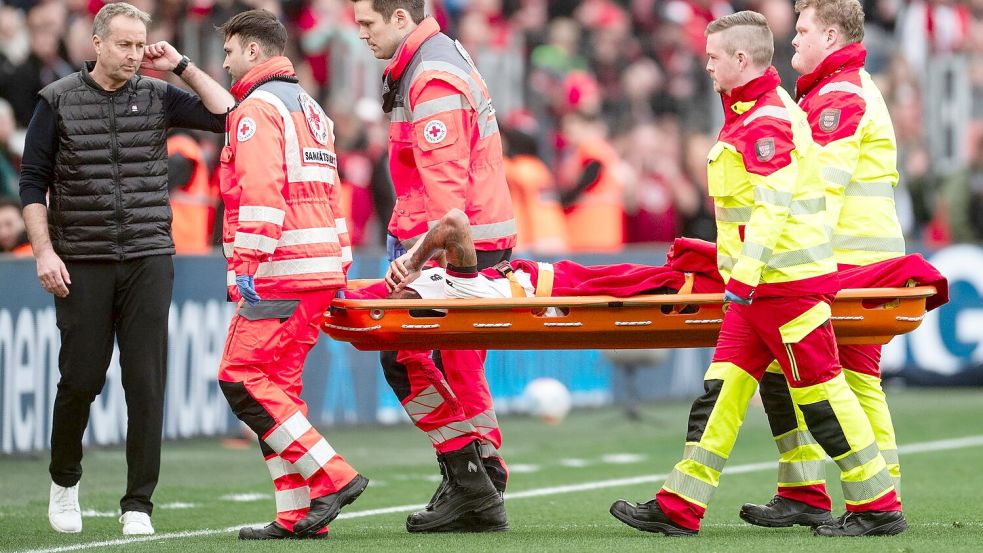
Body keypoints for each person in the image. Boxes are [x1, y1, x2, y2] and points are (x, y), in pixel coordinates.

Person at [608, 11, 904, 537]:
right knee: (721, 392)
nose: (706, 65)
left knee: (824, 395)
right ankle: (680, 504)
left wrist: (742, 279)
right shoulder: (756, 112)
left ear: (740, 59)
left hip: (783, 285)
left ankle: (877, 503)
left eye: (714, 56)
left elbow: (773, 206)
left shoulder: (767, 118)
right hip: (764, 286)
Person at [17, 2, 234, 536]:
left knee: (146, 383)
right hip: (82, 259)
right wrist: (44, 251)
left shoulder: (157, 94)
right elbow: (32, 183)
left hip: (148, 255)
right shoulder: (58, 100)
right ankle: (65, 482)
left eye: (141, 45)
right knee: (81, 380)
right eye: (124, 44)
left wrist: (179, 64)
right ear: (97, 43)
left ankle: (138, 504)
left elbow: (227, 113)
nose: (135, 55)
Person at [738, 0, 911, 536]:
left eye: (802, 30)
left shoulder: (839, 96)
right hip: (851, 259)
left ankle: (875, 501)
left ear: (831, 36)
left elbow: (821, 189)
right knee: (795, 371)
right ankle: (808, 491)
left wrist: (786, 258)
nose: (792, 40)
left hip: (850, 262)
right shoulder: (832, 90)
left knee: (849, 379)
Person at [351, 0, 516, 532]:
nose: (361, 36)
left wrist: (420, 261)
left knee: (406, 359)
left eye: (368, 24)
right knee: (457, 366)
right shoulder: (430, 60)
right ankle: (482, 474)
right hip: (469, 237)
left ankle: (472, 483)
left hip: (454, 243)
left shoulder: (430, 75)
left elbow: (447, 203)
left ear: (401, 18)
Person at [214, 9, 367, 541]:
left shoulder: (256, 109)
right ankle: (298, 514)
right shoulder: (311, 108)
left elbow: (259, 192)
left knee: (240, 378)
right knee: (279, 391)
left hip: (280, 271)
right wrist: (341, 262)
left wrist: (247, 266)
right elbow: (332, 193)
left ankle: (332, 476)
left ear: (254, 51)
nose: (226, 60)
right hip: (318, 267)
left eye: (230, 51)